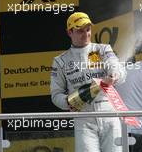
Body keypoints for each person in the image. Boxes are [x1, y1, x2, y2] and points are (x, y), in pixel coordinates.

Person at [50, 12, 126, 152]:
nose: (86, 34)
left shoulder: (102, 49)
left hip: (109, 114)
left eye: (88, 29)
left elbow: (117, 68)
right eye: (80, 31)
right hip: (83, 118)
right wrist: (67, 102)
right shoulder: (60, 61)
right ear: (69, 32)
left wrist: (114, 75)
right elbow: (56, 95)